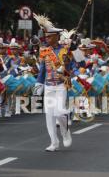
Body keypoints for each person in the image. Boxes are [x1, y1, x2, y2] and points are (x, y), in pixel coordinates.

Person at [34, 14, 72, 152]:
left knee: (60, 112)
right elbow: (42, 69)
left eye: (49, 37)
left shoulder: (65, 50)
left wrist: (65, 67)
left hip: (61, 85)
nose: (47, 39)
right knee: (49, 116)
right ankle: (53, 143)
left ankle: (65, 133)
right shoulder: (44, 51)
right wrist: (38, 84)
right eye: (46, 36)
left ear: (56, 36)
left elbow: (72, 68)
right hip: (49, 86)